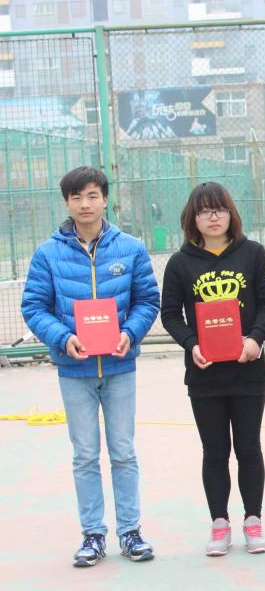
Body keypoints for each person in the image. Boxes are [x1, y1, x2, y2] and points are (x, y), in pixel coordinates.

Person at [20, 166, 160, 567]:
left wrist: (130, 333)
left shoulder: (130, 248)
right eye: (77, 197)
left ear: (105, 200)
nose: (85, 204)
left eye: (93, 195)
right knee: (84, 455)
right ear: (67, 202)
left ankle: (130, 532)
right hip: (74, 370)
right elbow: (34, 306)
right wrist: (63, 338)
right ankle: (93, 535)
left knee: (123, 452)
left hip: (119, 367)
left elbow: (147, 300)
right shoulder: (48, 253)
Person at [160, 182, 265, 556]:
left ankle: (253, 520)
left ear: (231, 214)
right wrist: (192, 344)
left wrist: (255, 339)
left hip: (248, 372)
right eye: (204, 211)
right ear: (192, 218)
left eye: (220, 209)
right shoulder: (180, 263)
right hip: (205, 374)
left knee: (249, 448)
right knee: (214, 451)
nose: (213, 217)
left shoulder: (253, 254)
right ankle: (219, 523)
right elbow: (170, 314)